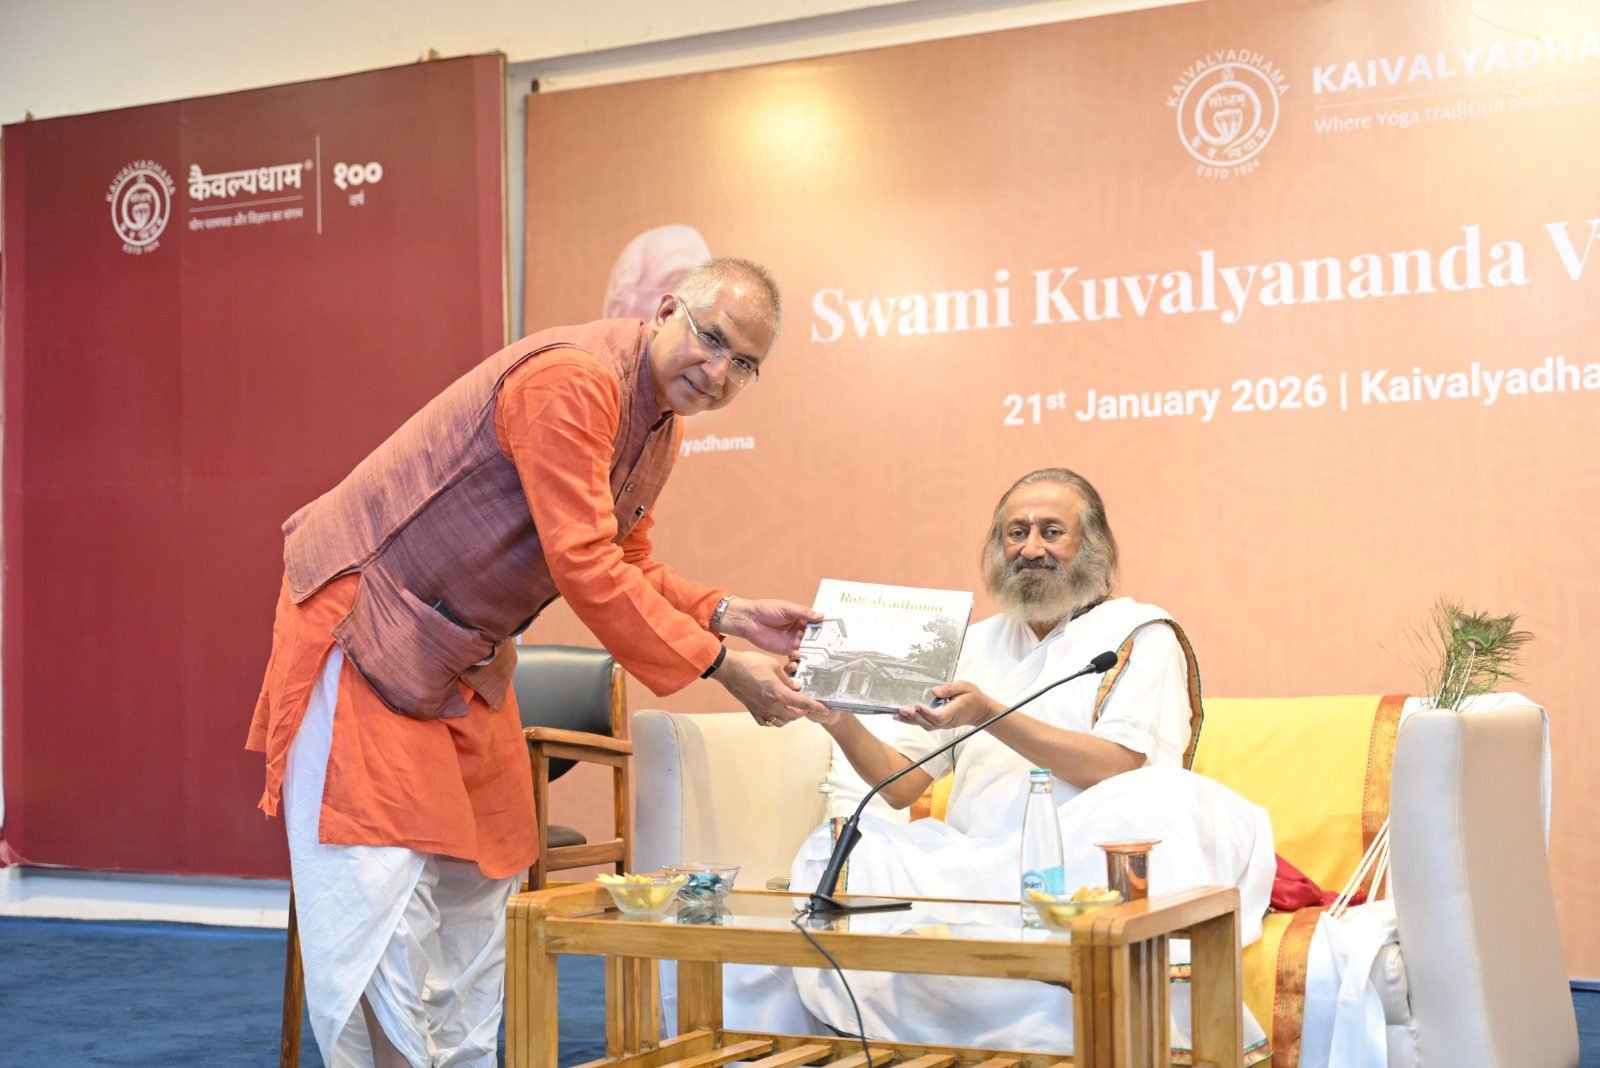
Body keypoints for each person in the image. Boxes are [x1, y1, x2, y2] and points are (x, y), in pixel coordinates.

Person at [248, 257, 826, 1068]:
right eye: (713, 339)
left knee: (482, 875)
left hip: (467, 657)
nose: (720, 371)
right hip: (369, 627)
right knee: (384, 887)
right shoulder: (575, 381)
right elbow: (585, 566)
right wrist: (724, 666)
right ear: (667, 310)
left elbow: (627, 558)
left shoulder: (661, 424)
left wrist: (728, 613)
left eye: (745, 364)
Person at [726, 468, 1275, 1065]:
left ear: (1092, 547)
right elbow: (901, 785)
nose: (1031, 548)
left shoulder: (1139, 633)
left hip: (1089, 866)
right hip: (981, 868)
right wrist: (836, 717)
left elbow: (1119, 768)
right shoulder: (972, 643)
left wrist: (990, 713)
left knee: (1166, 797)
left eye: (1051, 532)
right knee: (841, 850)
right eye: (1016, 532)